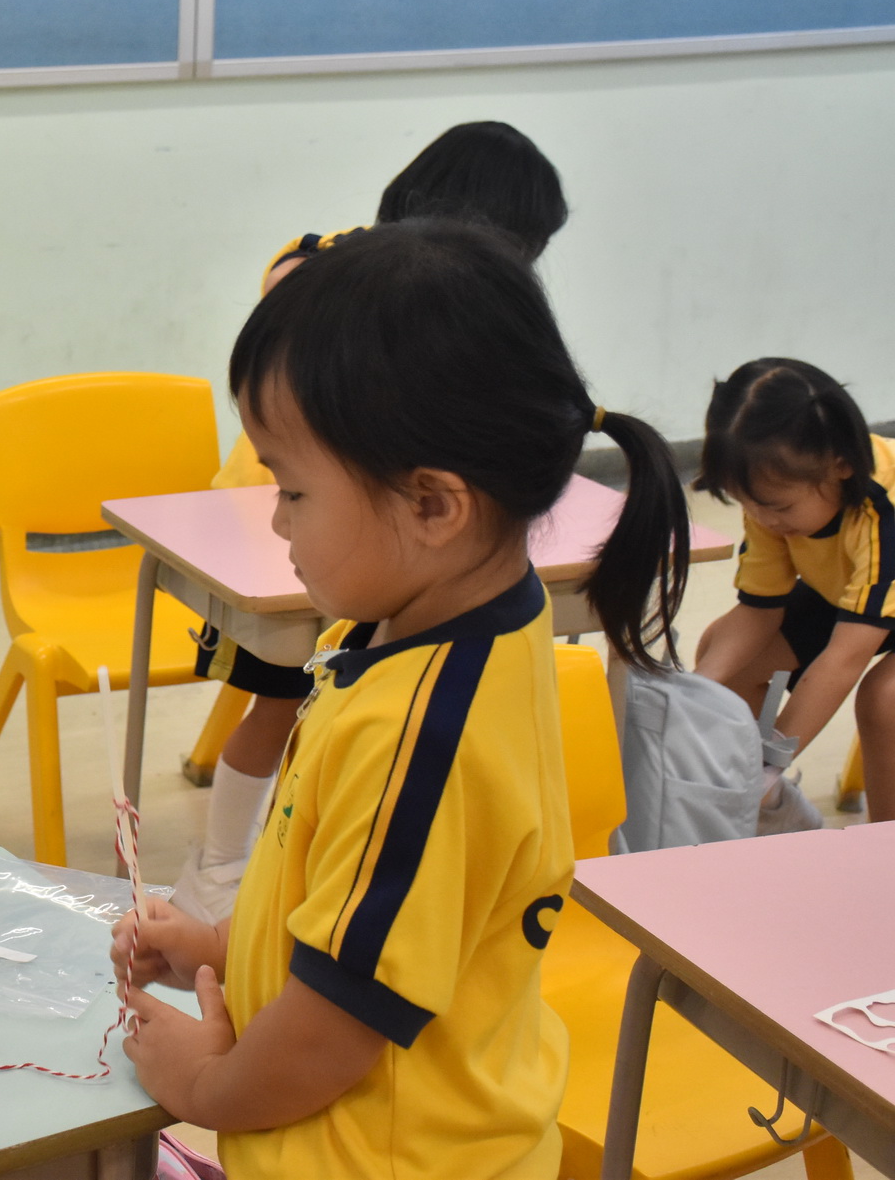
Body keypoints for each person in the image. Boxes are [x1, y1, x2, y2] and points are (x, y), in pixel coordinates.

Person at [114, 221, 690, 1178]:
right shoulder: (416, 628)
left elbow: (331, 1035)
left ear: (433, 506)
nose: (275, 519)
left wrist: (203, 1083)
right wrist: (217, 944)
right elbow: (352, 899)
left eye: (293, 490)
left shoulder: (421, 737)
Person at [181, 120, 570, 921]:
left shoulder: (417, 729)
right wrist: (229, 948)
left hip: (364, 527)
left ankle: (232, 883)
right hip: (291, 528)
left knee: (298, 703)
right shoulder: (324, 269)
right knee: (280, 698)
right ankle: (220, 868)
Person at [693, 357, 895, 825]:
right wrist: (695, 691)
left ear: (841, 466)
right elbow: (758, 612)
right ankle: (759, 811)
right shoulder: (770, 498)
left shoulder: (884, 512)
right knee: (725, 658)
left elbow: (844, 658)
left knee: (885, 700)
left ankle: (884, 845)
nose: (764, 520)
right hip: (854, 594)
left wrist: (768, 765)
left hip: (869, 600)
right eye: (748, 505)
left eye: (779, 508)